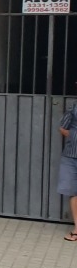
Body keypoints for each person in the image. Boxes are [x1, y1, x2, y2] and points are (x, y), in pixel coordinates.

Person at [59, 103, 77, 242]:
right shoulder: (74, 107)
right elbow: (62, 128)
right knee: (73, 192)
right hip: (71, 156)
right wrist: (73, 136)